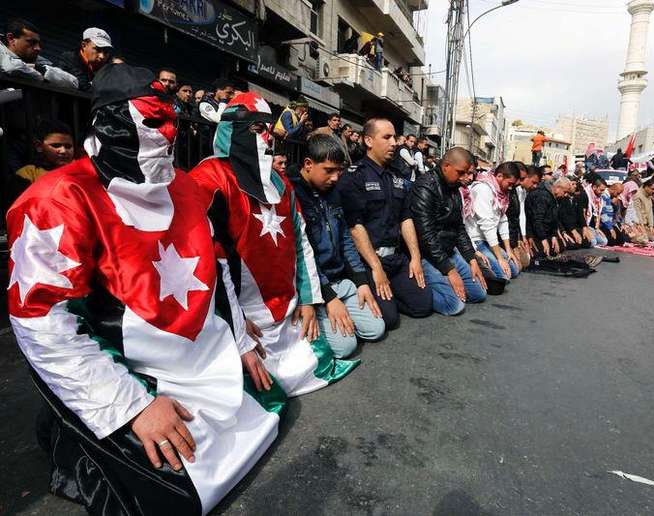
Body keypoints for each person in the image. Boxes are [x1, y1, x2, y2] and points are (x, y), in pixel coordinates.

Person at [7, 63, 283, 515]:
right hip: (125, 364)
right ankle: (73, 431)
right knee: (180, 490)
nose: (171, 133)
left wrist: (239, 342)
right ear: (111, 123)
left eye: (174, 119)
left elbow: (217, 274)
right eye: (155, 120)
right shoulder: (57, 198)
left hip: (196, 353)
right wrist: (131, 406)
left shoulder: (185, 188)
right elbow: (40, 319)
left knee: (268, 404)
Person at [189, 92, 358, 397]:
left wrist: (308, 299)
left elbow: (301, 240)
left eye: (267, 128)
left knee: (333, 350)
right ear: (230, 129)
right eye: (254, 129)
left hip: (287, 309)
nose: (264, 137)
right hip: (241, 314)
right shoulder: (207, 180)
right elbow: (202, 262)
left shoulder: (280, 182)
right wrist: (234, 323)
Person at [289, 135, 385, 358]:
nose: (335, 178)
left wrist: (361, 281)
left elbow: (344, 239)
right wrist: (329, 297)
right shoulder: (292, 195)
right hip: (314, 287)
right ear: (308, 164)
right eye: (329, 170)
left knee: (376, 329)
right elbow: (303, 255)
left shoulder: (334, 193)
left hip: (341, 281)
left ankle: (342, 321)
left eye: (339, 171)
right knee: (345, 347)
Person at [337, 118, 433, 329]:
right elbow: (355, 227)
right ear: (368, 141)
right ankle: (375, 299)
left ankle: (390, 297)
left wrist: (415, 258)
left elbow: (405, 218)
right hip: (369, 260)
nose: (394, 143)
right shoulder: (354, 176)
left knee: (423, 306)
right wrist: (376, 266)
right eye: (387, 137)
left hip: (396, 259)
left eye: (394, 138)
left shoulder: (398, 176)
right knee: (389, 320)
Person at [410, 148, 487, 315]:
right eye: (461, 172)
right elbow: (426, 236)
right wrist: (449, 270)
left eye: (468, 173)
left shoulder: (454, 188)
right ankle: (417, 290)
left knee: (479, 293)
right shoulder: (425, 186)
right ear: (446, 166)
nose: (466, 178)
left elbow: (459, 227)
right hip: (428, 256)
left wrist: (471, 258)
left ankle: (445, 282)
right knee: (453, 306)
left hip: (449, 252)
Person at [463, 161, 521, 280]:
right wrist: (500, 258)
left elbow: (503, 220)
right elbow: (487, 225)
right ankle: (475, 262)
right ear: (499, 176)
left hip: (489, 241)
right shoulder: (483, 189)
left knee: (514, 271)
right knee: (503, 276)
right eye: (509, 183)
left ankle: (489, 262)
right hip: (477, 239)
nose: (510, 188)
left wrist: (508, 250)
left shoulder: (501, 192)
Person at [1, 18, 77, 88]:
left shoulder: (40, 61)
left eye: (38, 43)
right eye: (31, 42)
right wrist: (43, 76)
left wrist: (39, 69)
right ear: (11, 38)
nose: (38, 48)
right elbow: (12, 68)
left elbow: (73, 82)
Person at [525, 169, 568, 256]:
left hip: (546, 232)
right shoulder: (542, 196)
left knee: (561, 245)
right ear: (558, 188)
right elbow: (537, 220)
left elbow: (553, 218)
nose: (565, 195)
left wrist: (553, 235)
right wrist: (543, 239)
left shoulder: (552, 197)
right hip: (535, 233)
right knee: (544, 251)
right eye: (565, 192)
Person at [59, 27, 112, 91]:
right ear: (84, 45)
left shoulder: (105, 67)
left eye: (106, 52)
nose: (102, 56)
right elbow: (84, 87)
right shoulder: (70, 58)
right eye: (98, 49)